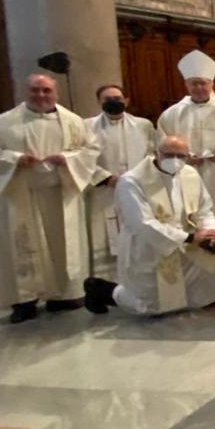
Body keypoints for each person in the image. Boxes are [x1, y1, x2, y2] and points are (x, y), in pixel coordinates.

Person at [0, 73, 101, 322]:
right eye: (35, 90)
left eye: (46, 90)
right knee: (22, 245)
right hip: (19, 195)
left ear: (56, 93)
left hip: (59, 193)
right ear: (26, 92)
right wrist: (15, 160)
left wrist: (67, 159)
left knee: (61, 245)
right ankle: (24, 301)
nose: (41, 95)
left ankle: (65, 295)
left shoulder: (73, 122)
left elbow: (91, 149)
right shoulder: (4, 123)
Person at [111, 135, 215, 314]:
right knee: (152, 308)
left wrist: (209, 231)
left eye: (181, 156)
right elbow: (142, 224)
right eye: (169, 155)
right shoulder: (132, 181)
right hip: (151, 246)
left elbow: (204, 209)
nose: (175, 160)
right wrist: (189, 237)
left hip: (188, 238)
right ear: (156, 154)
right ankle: (104, 290)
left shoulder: (189, 174)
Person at [158, 50, 215, 240]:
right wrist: (180, 157)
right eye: (193, 83)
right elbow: (161, 144)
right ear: (186, 84)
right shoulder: (172, 114)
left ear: (212, 84)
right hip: (183, 171)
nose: (199, 87)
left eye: (203, 83)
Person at [83, 84, 155, 309]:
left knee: (136, 237)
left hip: (136, 191)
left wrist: (137, 178)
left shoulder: (143, 125)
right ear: (99, 101)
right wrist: (106, 177)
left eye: (117, 97)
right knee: (105, 241)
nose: (113, 101)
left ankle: (134, 286)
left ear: (127, 99)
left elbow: (152, 154)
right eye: (107, 98)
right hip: (103, 192)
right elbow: (81, 158)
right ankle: (101, 290)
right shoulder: (86, 127)